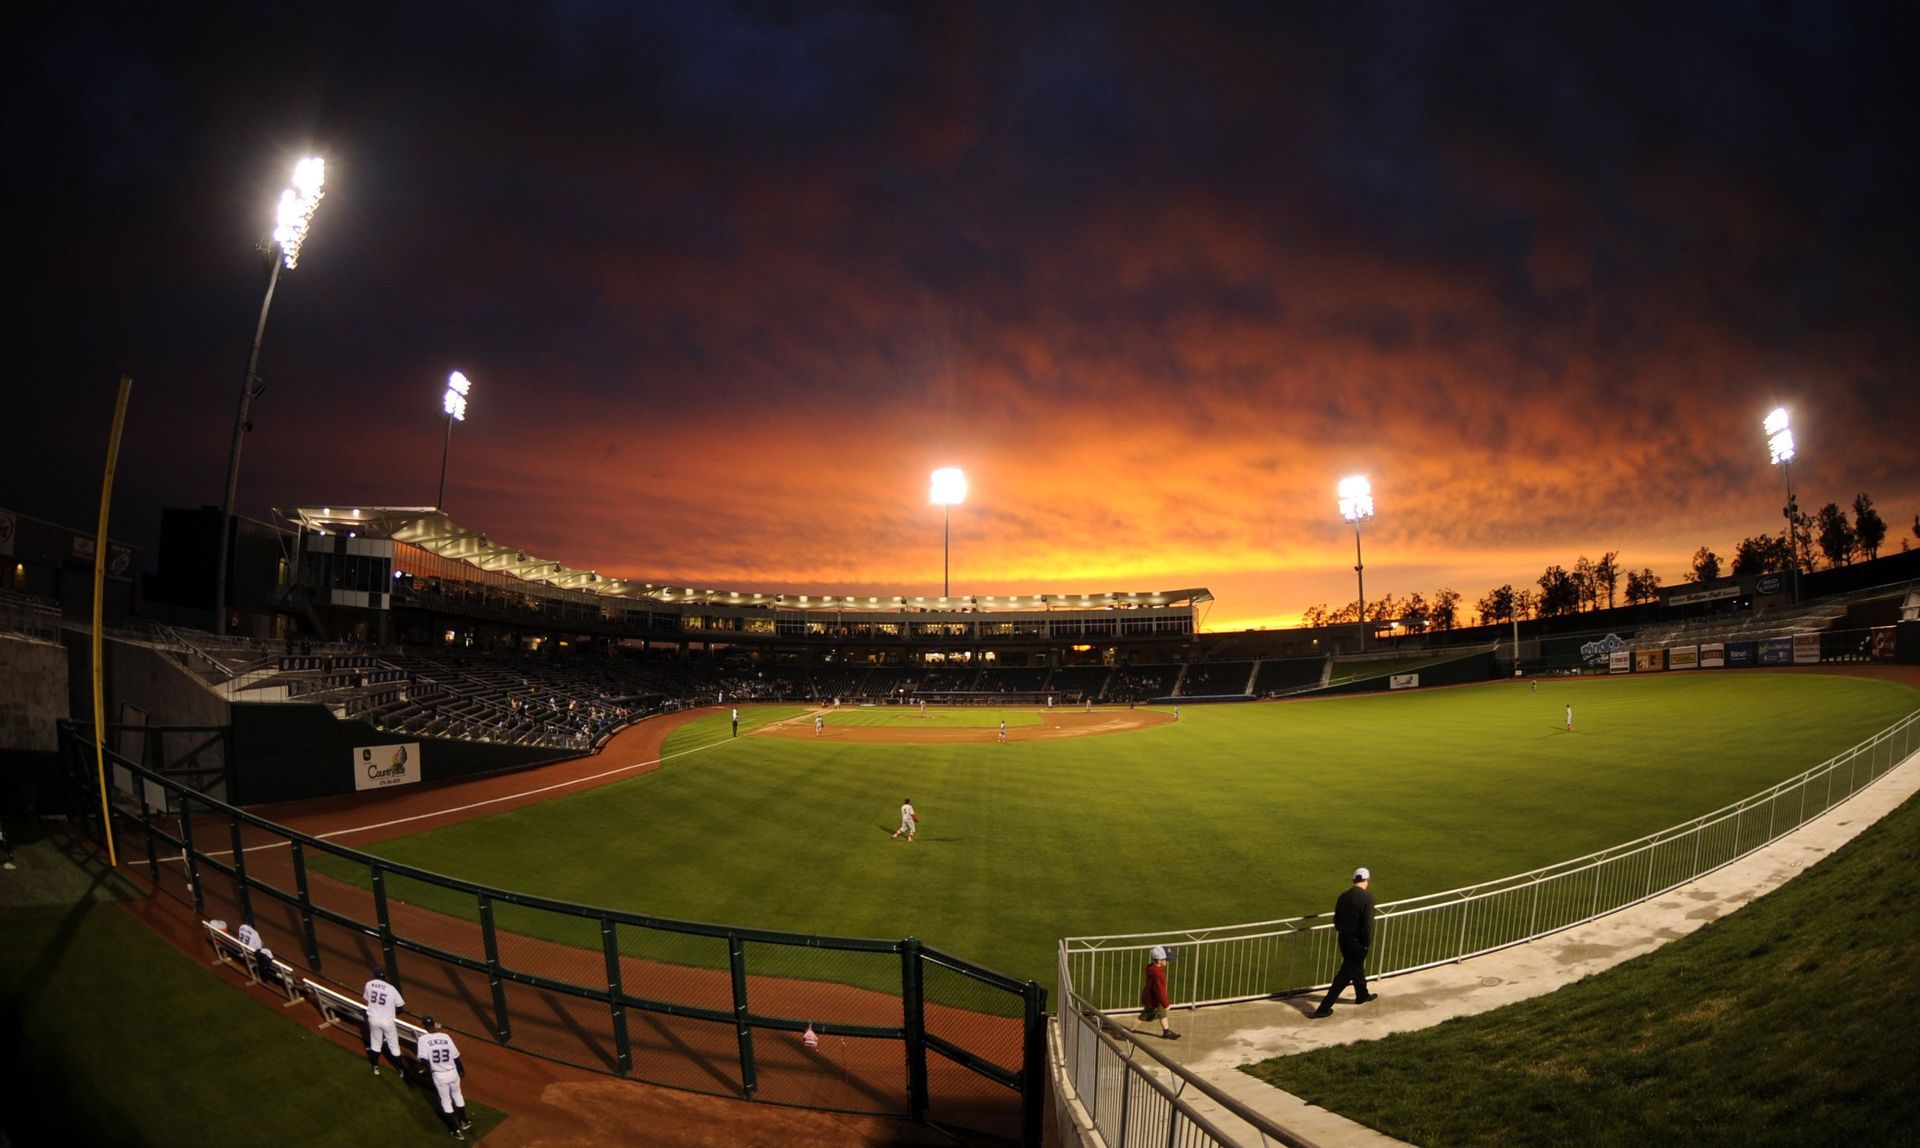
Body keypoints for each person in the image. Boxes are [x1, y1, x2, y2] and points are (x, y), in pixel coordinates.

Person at [1313, 868, 1379, 1018]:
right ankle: (1323, 1008)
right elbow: (1367, 925)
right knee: (1345, 975)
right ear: (1367, 880)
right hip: (1358, 942)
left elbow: (1336, 920)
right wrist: (1366, 942)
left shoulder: (1343, 896)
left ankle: (1362, 995)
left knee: (1356, 968)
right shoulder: (1367, 898)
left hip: (1344, 939)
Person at [416, 1016, 472, 1139]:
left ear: (424, 1026)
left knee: (446, 1102)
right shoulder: (445, 1036)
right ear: (434, 1025)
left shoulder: (423, 1039)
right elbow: (456, 1056)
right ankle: (464, 1121)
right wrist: (461, 1069)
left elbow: (423, 1059)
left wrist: (430, 1068)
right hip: (453, 1072)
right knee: (457, 1095)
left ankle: (456, 1130)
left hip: (440, 1075)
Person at [363, 966, 407, 1075]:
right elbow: (400, 1007)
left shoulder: (369, 984)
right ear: (384, 976)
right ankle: (401, 1070)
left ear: (375, 975)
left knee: (375, 1044)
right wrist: (391, 1013)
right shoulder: (391, 988)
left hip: (373, 1019)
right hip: (387, 1021)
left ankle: (375, 1067)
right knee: (394, 1047)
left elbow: (367, 999)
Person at [1128, 945, 1180, 1039]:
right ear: (1159, 960)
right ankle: (1127, 1032)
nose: (1168, 961)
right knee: (1143, 1016)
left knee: (1162, 1013)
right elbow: (1159, 990)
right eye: (1166, 959)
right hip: (1153, 1000)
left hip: (1153, 998)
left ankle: (1166, 1031)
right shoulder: (1158, 974)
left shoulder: (1153, 969)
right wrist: (1166, 1004)